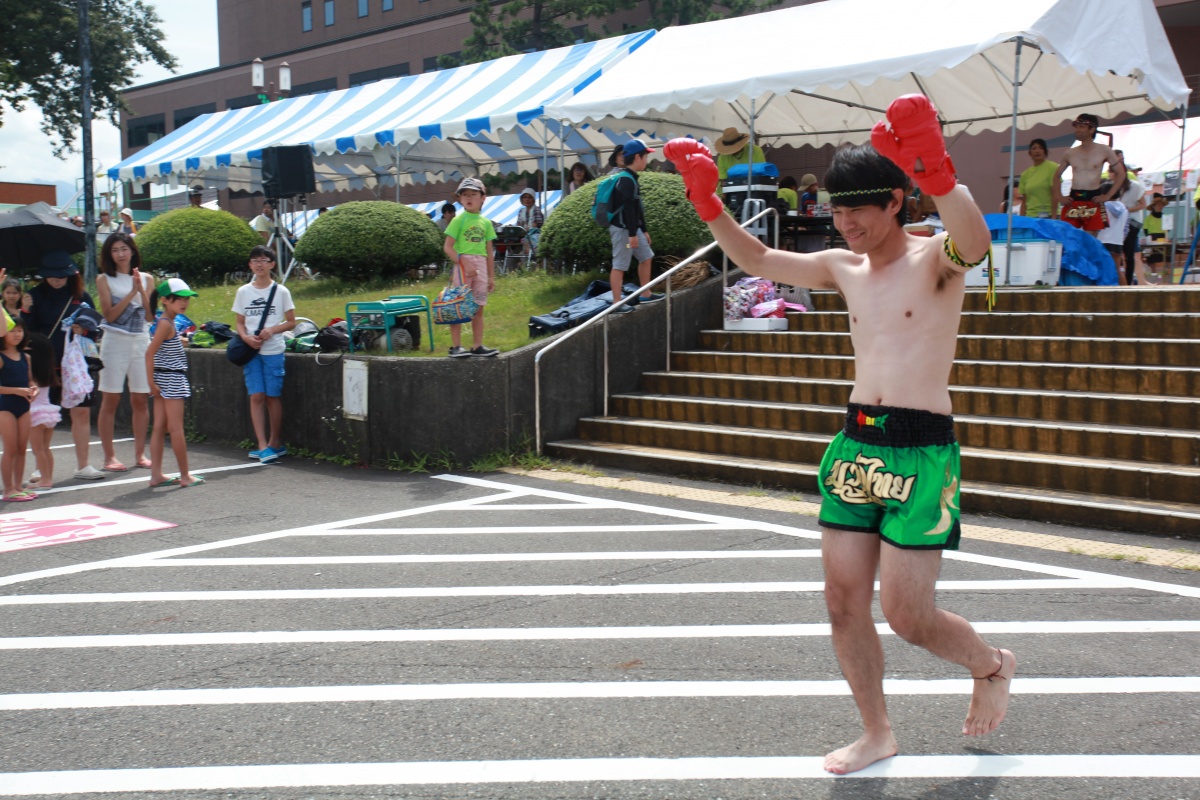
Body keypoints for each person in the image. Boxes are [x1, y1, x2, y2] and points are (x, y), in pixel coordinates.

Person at [665, 94, 1014, 776]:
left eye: (859, 208)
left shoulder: (937, 260)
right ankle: (876, 731)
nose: (846, 222)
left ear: (895, 202)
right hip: (856, 446)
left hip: (921, 449)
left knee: (909, 616)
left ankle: (991, 664)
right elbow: (761, 259)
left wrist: (939, 171)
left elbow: (975, 241)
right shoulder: (841, 266)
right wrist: (707, 201)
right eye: (836, 209)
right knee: (842, 601)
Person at [21, 251, 106, 481]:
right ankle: (41, 466)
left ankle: (83, 465)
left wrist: (84, 329)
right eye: (51, 276)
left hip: (77, 366)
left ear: (71, 274)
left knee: (81, 413)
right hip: (45, 365)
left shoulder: (81, 296)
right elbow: (24, 332)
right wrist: (25, 310)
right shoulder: (34, 296)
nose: (56, 279)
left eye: (61, 275)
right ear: (43, 275)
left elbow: (96, 328)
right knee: (44, 418)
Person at [94, 232, 154, 472]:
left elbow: (150, 316)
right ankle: (109, 457)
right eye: (115, 250)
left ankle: (140, 454)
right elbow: (109, 315)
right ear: (109, 254)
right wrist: (131, 293)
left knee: (140, 398)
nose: (120, 254)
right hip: (114, 342)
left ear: (132, 250)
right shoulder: (104, 279)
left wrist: (141, 290)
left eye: (124, 249)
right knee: (111, 398)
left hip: (140, 341)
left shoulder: (147, 278)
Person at [232, 246, 297, 463]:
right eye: (254, 260)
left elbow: (291, 321)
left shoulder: (281, 292)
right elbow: (240, 323)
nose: (259, 264)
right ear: (250, 265)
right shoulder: (243, 292)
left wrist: (273, 330)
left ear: (272, 264)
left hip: (273, 350)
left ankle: (274, 442)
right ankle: (262, 445)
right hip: (252, 351)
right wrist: (245, 337)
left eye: (263, 260)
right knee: (256, 396)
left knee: (272, 396)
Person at [145, 278, 204, 489]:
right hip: (171, 379)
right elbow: (149, 353)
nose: (184, 303)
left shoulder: (165, 322)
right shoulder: (165, 324)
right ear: (165, 300)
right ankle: (185, 475)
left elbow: (159, 349)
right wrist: (150, 382)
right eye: (178, 299)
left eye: (186, 299)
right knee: (176, 429)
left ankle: (156, 475)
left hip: (163, 378)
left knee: (160, 428)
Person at [442, 177, 499, 358]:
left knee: (478, 307)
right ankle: (456, 346)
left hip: (481, 265)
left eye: (473, 194)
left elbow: (489, 252)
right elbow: (447, 247)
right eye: (464, 194)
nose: (469, 198)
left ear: (483, 197)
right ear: (459, 199)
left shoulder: (486, 223)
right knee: (457, 304)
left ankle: (477, 346)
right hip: (462, 266)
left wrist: (491, 276)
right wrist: (463, 262)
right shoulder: (458, 220)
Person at [606, 139, 663, 312]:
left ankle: (645, 293)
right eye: (645, 156)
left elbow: (637, 207)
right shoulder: (625, 180)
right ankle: (616, 302)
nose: (647, 160)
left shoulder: (631, 178)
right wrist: (632, 234)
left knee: (646, 256)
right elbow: (628, 209)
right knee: (620, 264)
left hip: (631, 229)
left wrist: (643, 230)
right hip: (623, 230)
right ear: (637, 157)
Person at [1052, 114, 1123, 234]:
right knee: (1070, 239)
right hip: (1073, 199)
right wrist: (1059, 196)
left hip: (1093, 200)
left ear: (1092, 129)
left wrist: (1108, 196)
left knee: (1091, 241)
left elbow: (1121, 174)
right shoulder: (1070, 153)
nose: (1077, 130)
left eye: (1081, 126)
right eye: (1076, 127)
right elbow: (1056, 175)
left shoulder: (1104, 150)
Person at [0, 320, 36, 501]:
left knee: (22, 448)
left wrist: (33, 388)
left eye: (20, 330)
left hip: (24, 406)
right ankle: (8, 489)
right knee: (10, 448)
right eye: (12, 331)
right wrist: (16, 391)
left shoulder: (25, 357)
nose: (16, 334)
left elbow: (30, 381)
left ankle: (18, 485)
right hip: (4, 406)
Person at [24, 332, 60, 491]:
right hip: (48, 412)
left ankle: (45, 480)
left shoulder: (31, 374)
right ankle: (47, 477)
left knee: (38, 449)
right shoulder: (46, 373)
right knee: (45, 448)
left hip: (35, 413)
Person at [713, 128, 767, 193]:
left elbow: (761, 174)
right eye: (729, 150)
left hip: (752, 191)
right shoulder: (722, 158)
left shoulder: (755, 151)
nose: (732, 152)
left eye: (734, 149)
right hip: (729, 192)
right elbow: (723, 180)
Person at [1014, 139, 1057, 218]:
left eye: (1040, 148)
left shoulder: (1053, 168)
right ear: (1029, 153)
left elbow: (1055, 195)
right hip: (1030, 217)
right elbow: (1024, 201)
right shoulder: (1025, 174)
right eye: (1034, 148)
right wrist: (1021, 220)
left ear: (1045, 151)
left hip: (1048, 215)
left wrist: (1054, 217)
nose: (1037, 151)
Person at [516, 188, 544, 256]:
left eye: (529, 197)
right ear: (522, 199)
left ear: (533, 199)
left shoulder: (536, 209)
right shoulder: (521, 211)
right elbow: (518, 225)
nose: (527, 199)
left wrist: (529, 228)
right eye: (525, 197)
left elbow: (538, 225)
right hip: (523, 235)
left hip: (535, 235)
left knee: (528, 240)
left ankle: (531, 258)